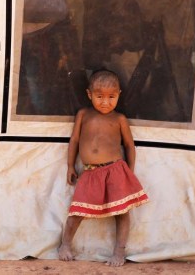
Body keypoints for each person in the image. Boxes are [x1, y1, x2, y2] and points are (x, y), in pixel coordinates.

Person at [58, 69, 149, 266]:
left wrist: (129, 172)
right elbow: (74, 140)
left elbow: (129, 146)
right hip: (89, 172)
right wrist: (70, 166)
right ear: (89, 95)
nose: (105, 102)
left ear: (119, 95)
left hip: (116, 171)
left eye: (111, 97)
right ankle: (65, 244)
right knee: (77, 211)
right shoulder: (83, 115)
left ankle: (119, 251)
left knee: (122, 212)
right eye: (99, 96)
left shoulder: (119, 119)